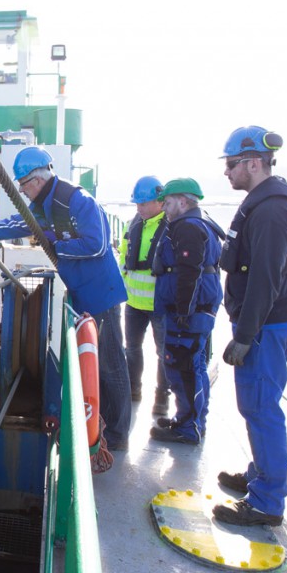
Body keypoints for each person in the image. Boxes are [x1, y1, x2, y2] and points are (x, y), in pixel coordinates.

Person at [0, 146, 131, 450]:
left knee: (111, 365)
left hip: (101, 295)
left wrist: (54, 242)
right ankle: (101, 421)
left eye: (22, 186)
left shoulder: (78, 201)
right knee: (93, 363)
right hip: (81, 293)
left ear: (35, 180)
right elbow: (15, 225)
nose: (21, 192)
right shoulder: (44, 206)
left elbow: (97, 245)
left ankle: (118, 434)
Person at [211, 126, 287, 527]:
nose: (227, 172)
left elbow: (265, 279)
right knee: (255, 405)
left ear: (254, 163)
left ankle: (267, 502)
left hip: (265, 327)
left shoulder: (271, 210)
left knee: (261, 408)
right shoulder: (264, 203)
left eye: (232, 164)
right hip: (263, 323)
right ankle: (260, 475)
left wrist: (245, 336)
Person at [148, 178, 224, 445]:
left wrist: (183, 310)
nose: (165, 209)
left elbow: (189, 272)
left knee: (183, 366)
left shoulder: (189, 228)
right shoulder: (195, 223)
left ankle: (189, 426)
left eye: (167, 203)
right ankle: (190, 419)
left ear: (182, 201)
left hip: (189, 313)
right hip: (196, 309)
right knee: (192, 365)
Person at [119, 175, 171, 415]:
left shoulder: (171, 226)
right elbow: (123, 254)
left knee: (163, 353)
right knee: (132, 347)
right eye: (137, 204)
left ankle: (162, 398)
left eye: (143, 203)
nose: (139, 208)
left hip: (159, 305)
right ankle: (133, 389)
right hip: (133, 303)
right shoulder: (133, 224)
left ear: (160, 202)